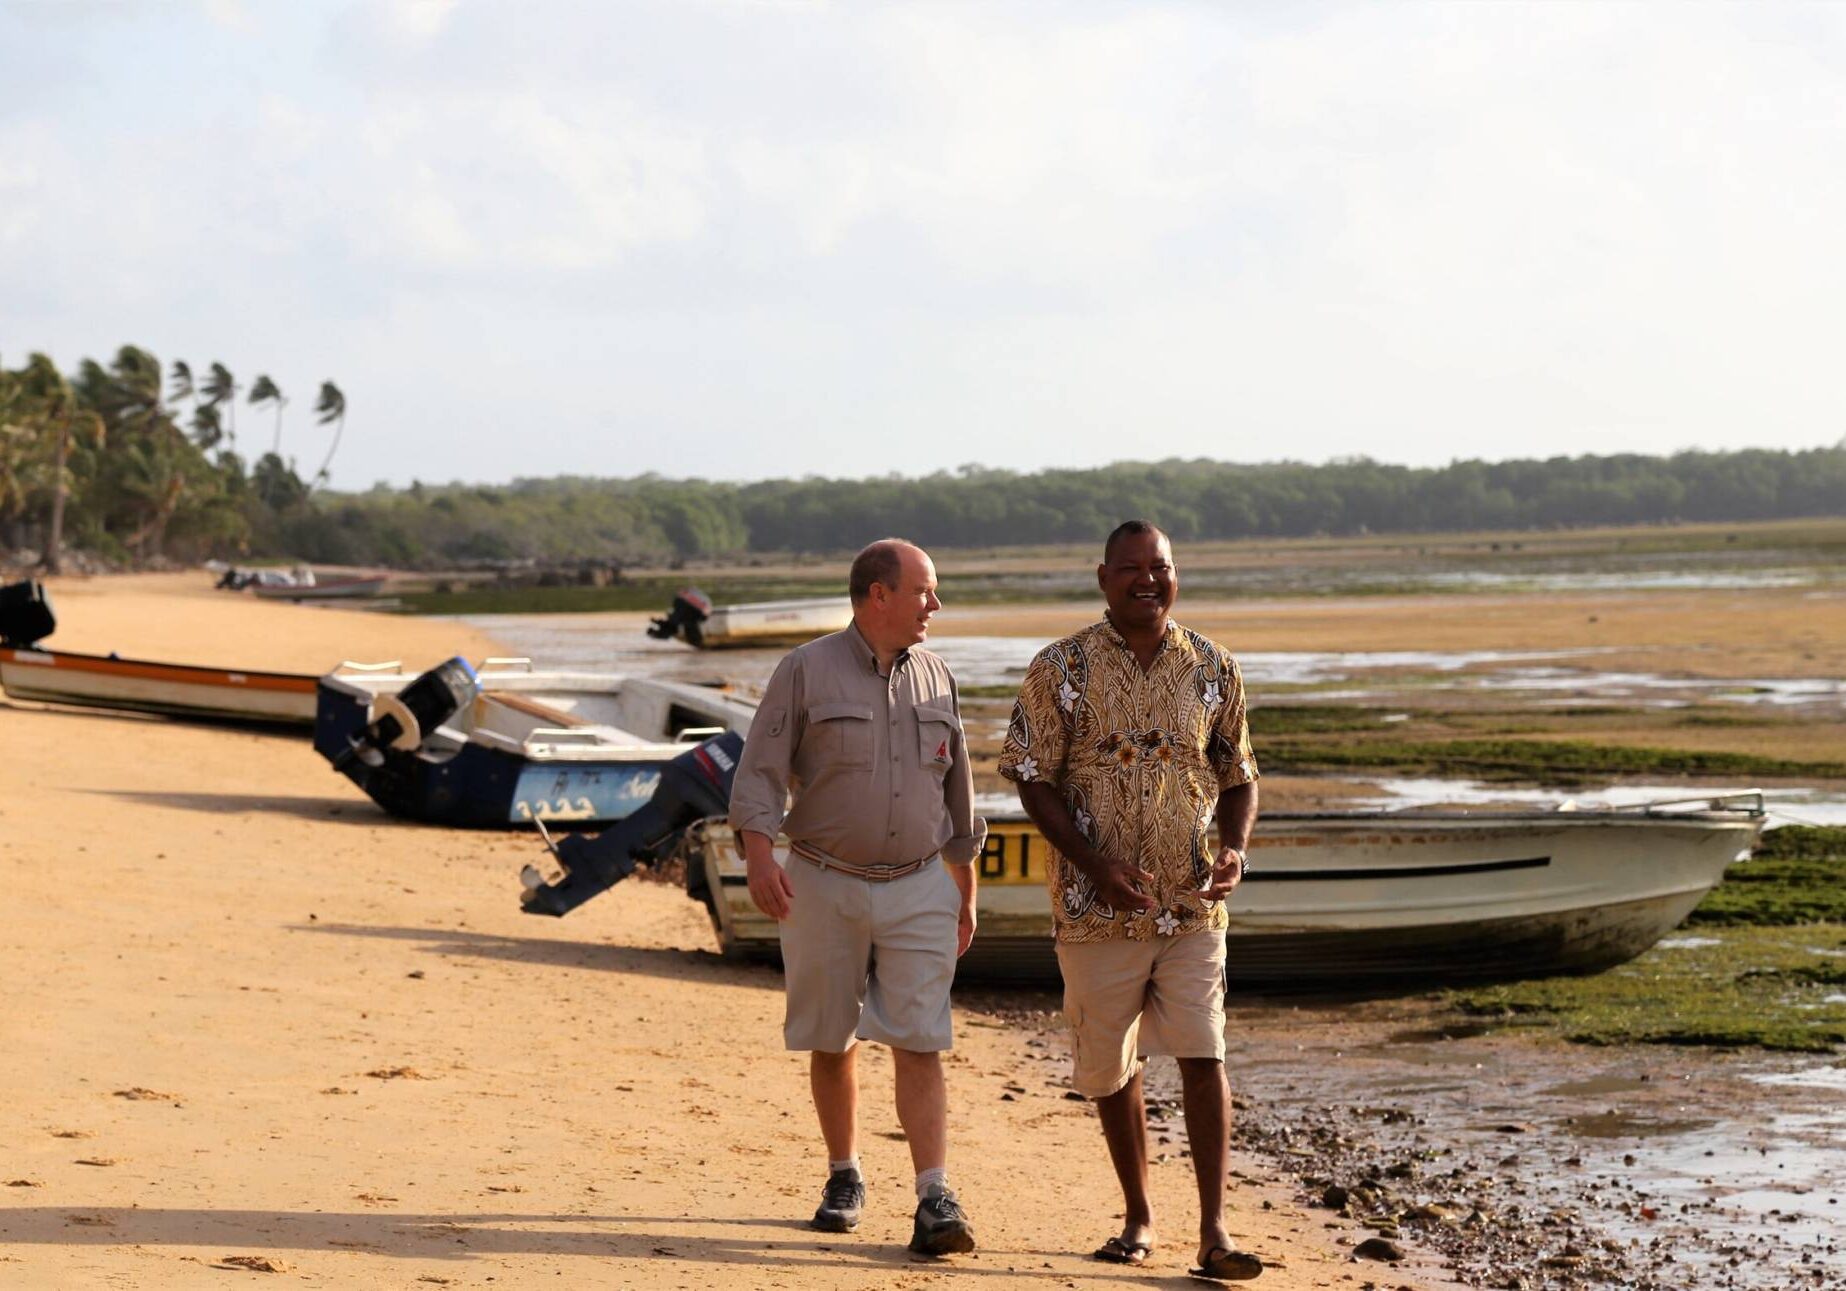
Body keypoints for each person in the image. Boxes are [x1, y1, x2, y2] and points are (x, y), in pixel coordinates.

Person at [998, 520, 1263, 1281]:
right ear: (1103, 576)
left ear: (1176, 574)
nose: (1148, 580)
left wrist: (1236, 848)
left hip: (1192, 903)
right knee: (1111, 1067)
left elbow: (1238, 772)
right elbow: (1031, 776)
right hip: (1094, 907)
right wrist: (1093, 861)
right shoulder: (1061, 666)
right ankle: (1139, 1215)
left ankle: (1214, 1231)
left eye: (1162, 567)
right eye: (1132, 569)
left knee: (1203, 1051)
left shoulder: (1213, 665)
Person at [728, 538, 985, 1258]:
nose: (935, 604)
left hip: (919, 883)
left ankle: (934, 1193)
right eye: (924, 591)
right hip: (822, 880)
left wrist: (966, 889)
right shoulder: (805, 670)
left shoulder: (938, 676)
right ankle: (844, 1174)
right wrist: (756, 853)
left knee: (921, 1035)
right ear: (879, 594)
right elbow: (760, 771)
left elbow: (958, 795)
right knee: (830, 1033)